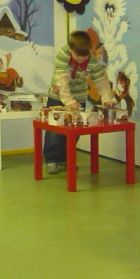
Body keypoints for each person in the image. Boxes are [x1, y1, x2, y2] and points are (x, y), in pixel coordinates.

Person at [43, 30, 115, 174]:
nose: (81, 59)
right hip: (58, 96)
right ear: (71, 50)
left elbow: (101, 81)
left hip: (78, 98)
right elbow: (62, 80)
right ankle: (52, 160)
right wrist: (69, 101)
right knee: (54, 131)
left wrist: (107, 98)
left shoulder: (92, 60)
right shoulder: (63, 54)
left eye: (85, 55)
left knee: (74, 131)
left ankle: (65, 158)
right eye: (78, 55)